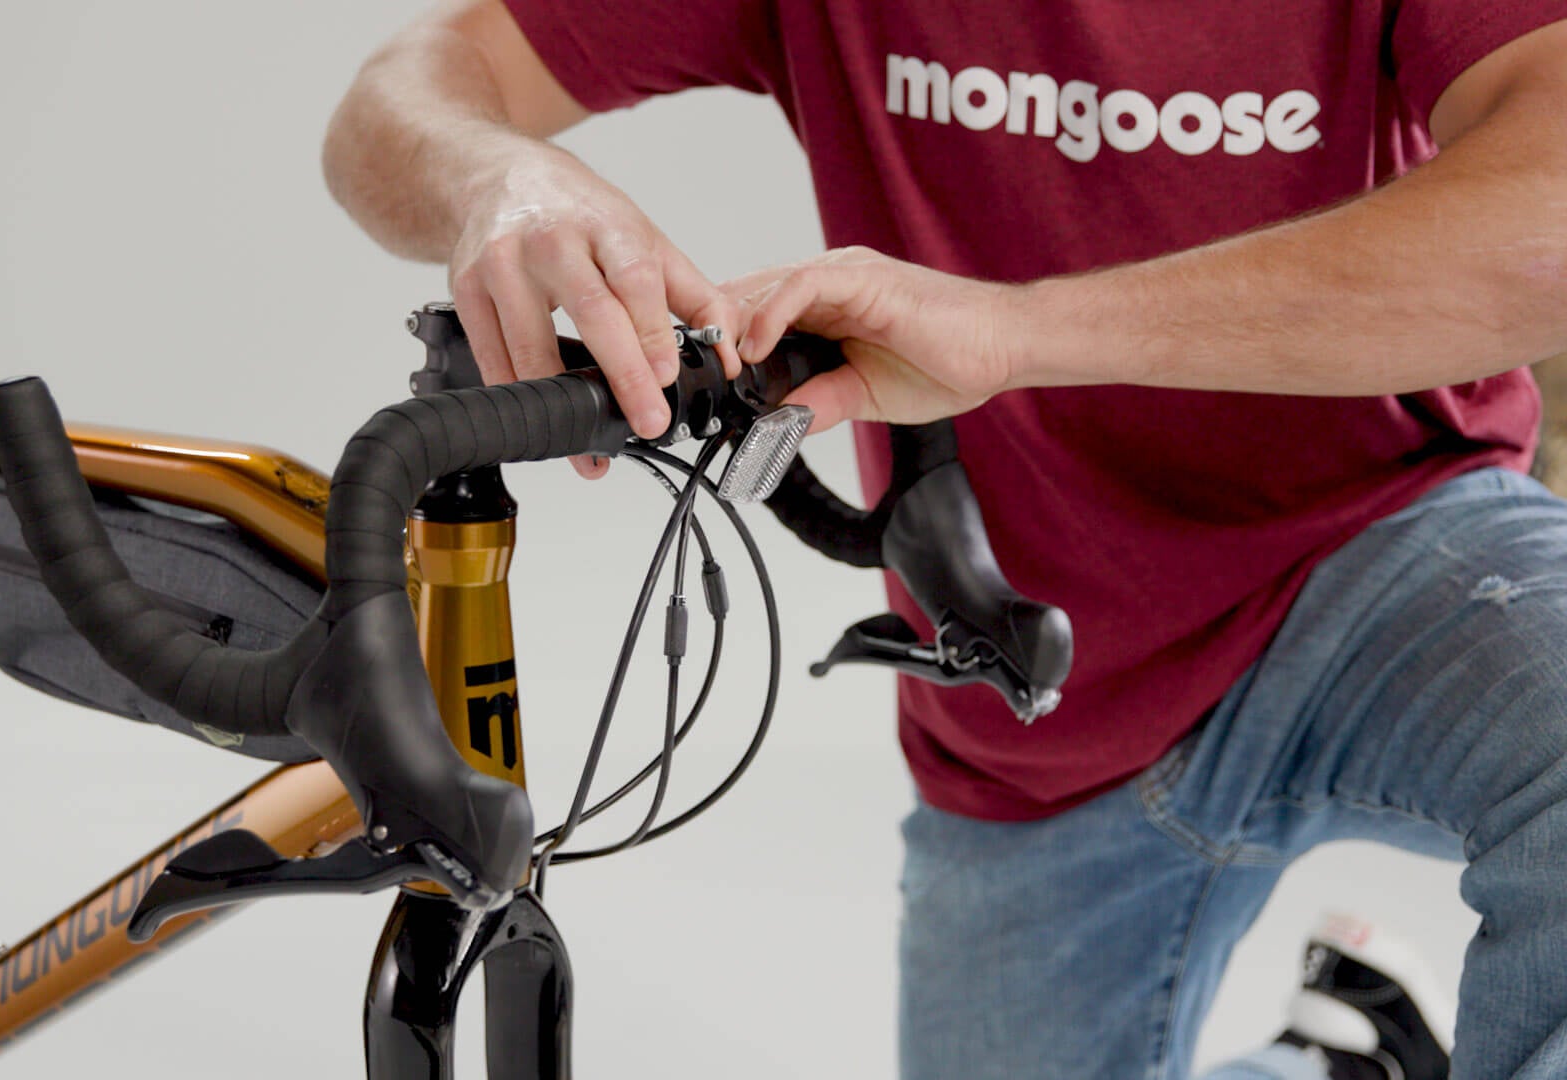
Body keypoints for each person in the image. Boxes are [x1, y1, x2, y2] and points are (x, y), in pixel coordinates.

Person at [322, 2, 1567, 1077]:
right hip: (1029, 686)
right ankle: (1343, 1057)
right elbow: (397, 101)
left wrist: (1019, 331)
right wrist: (496, 172)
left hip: (1389, 559)